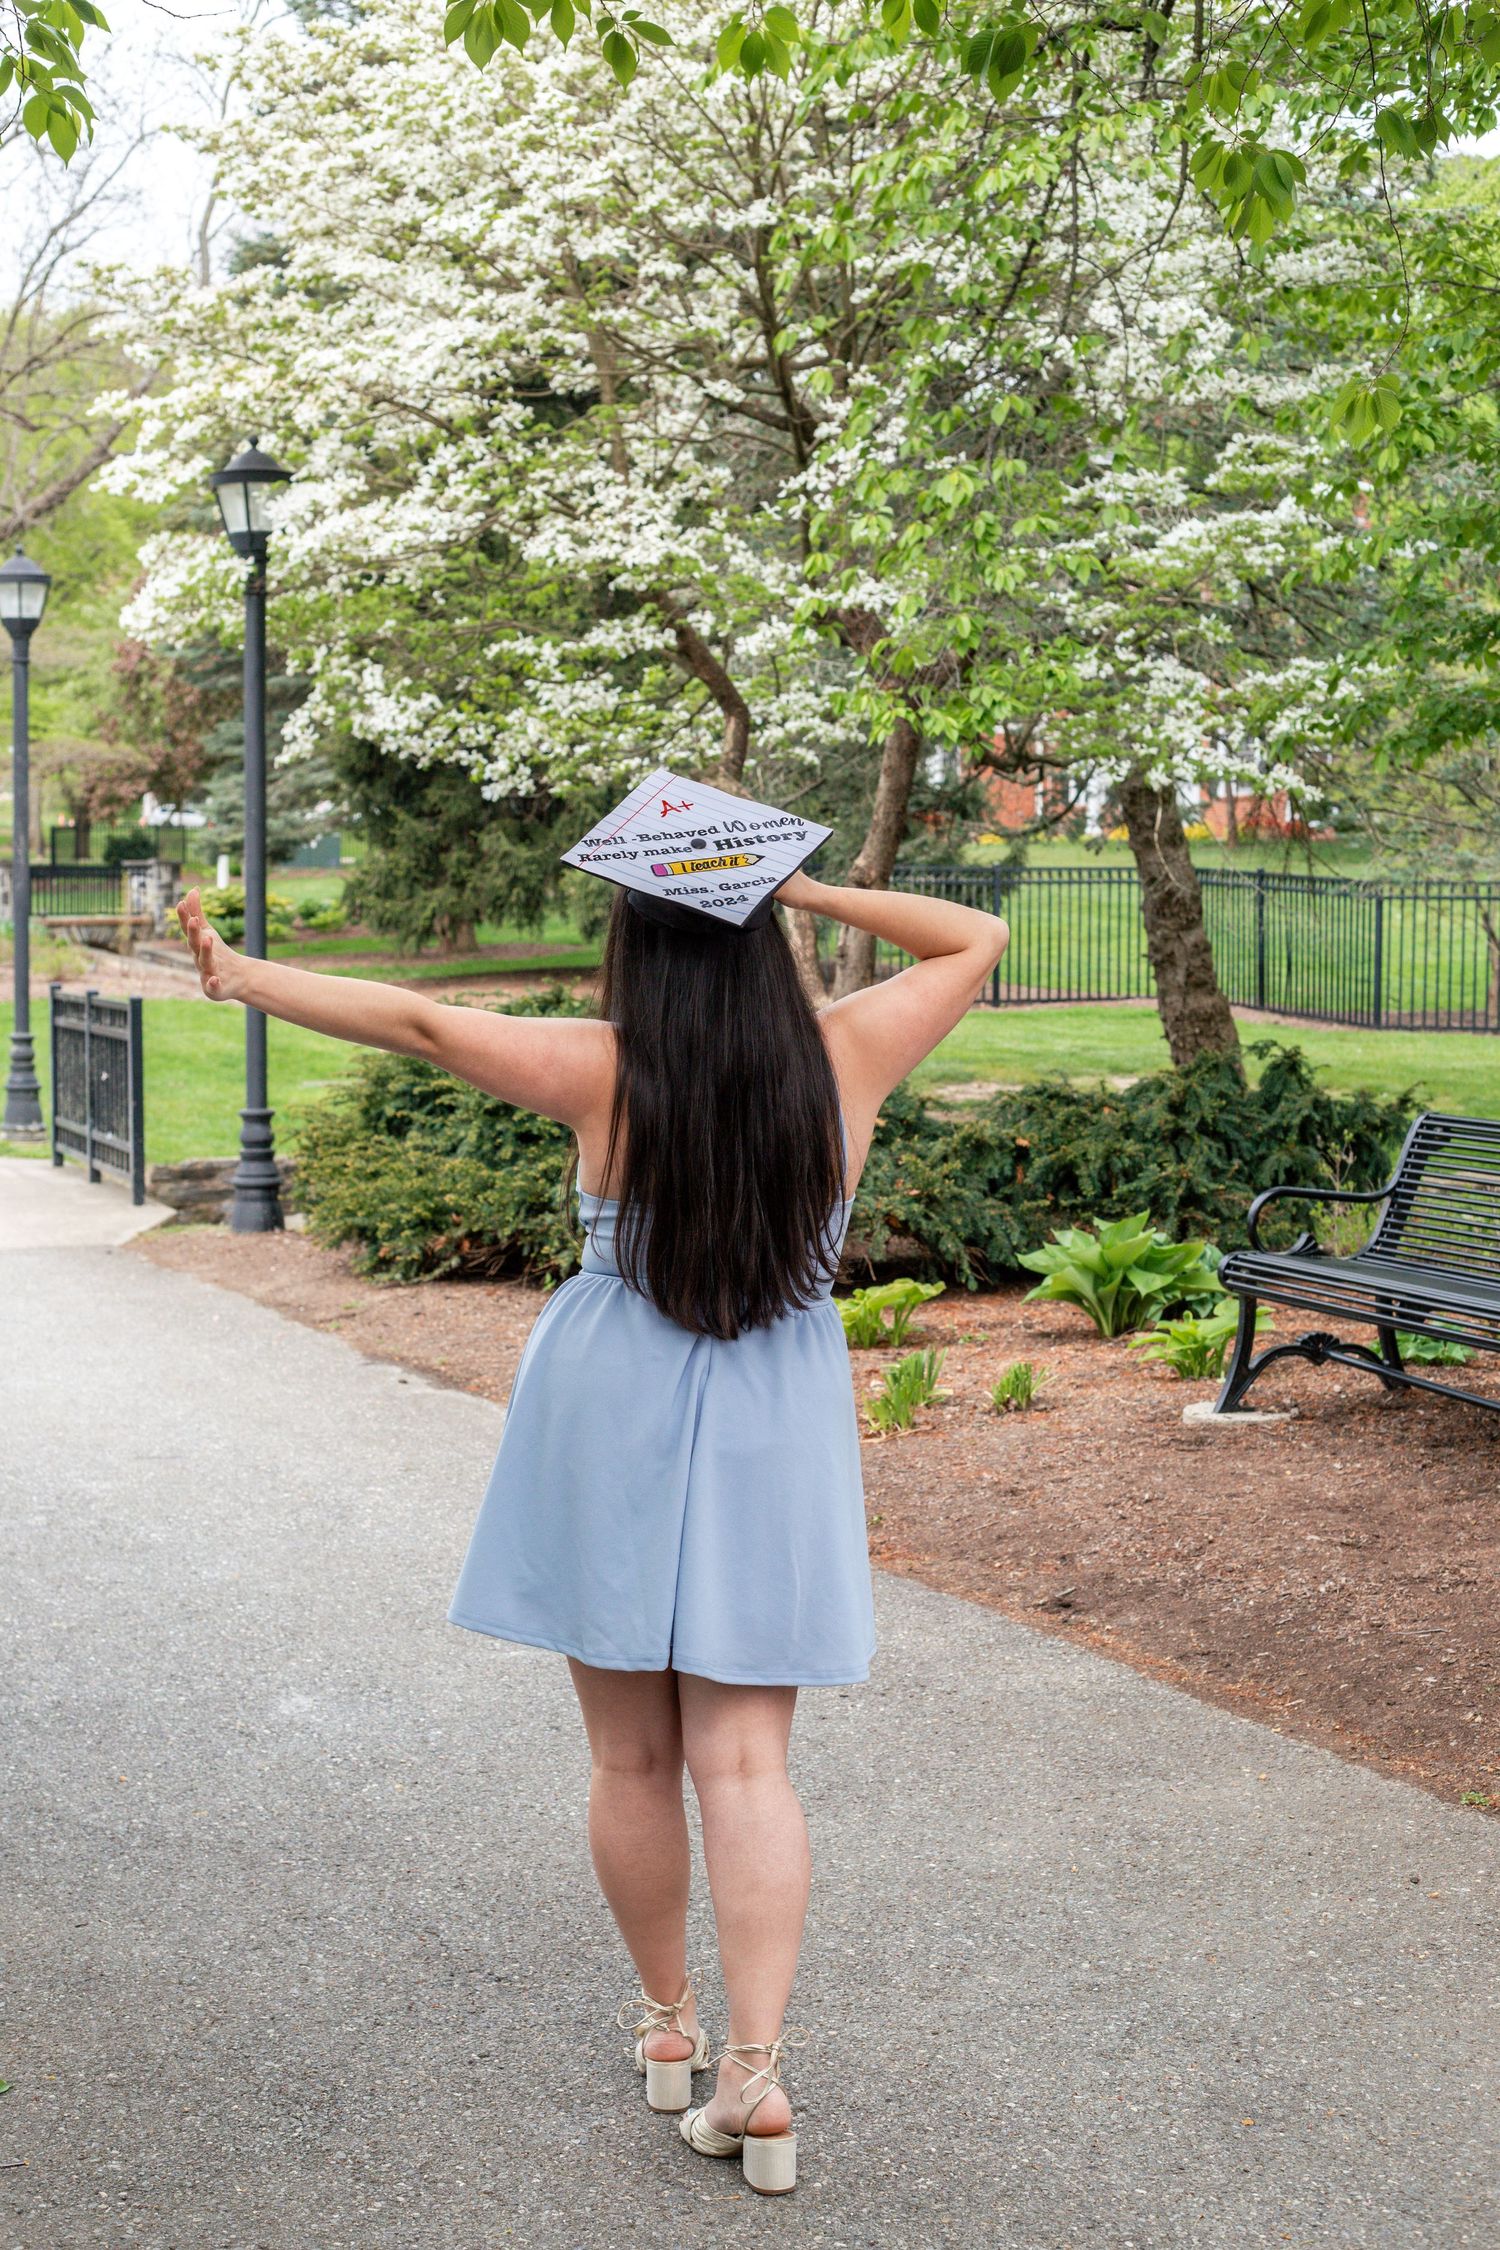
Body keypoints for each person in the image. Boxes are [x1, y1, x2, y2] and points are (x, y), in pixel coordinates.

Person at [175, 864, 1009, 2196]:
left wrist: (242, 976)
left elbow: (421, 1021)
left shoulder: (602, 1068)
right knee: (748, 1764)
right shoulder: (846, 1053)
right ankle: (756, 2075)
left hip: (612, 1406)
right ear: (761, 931)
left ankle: (668, 2025)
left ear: (638, 940)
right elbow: (977, 935)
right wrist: (799, 880)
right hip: (773, 1418)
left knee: (630, 1755)